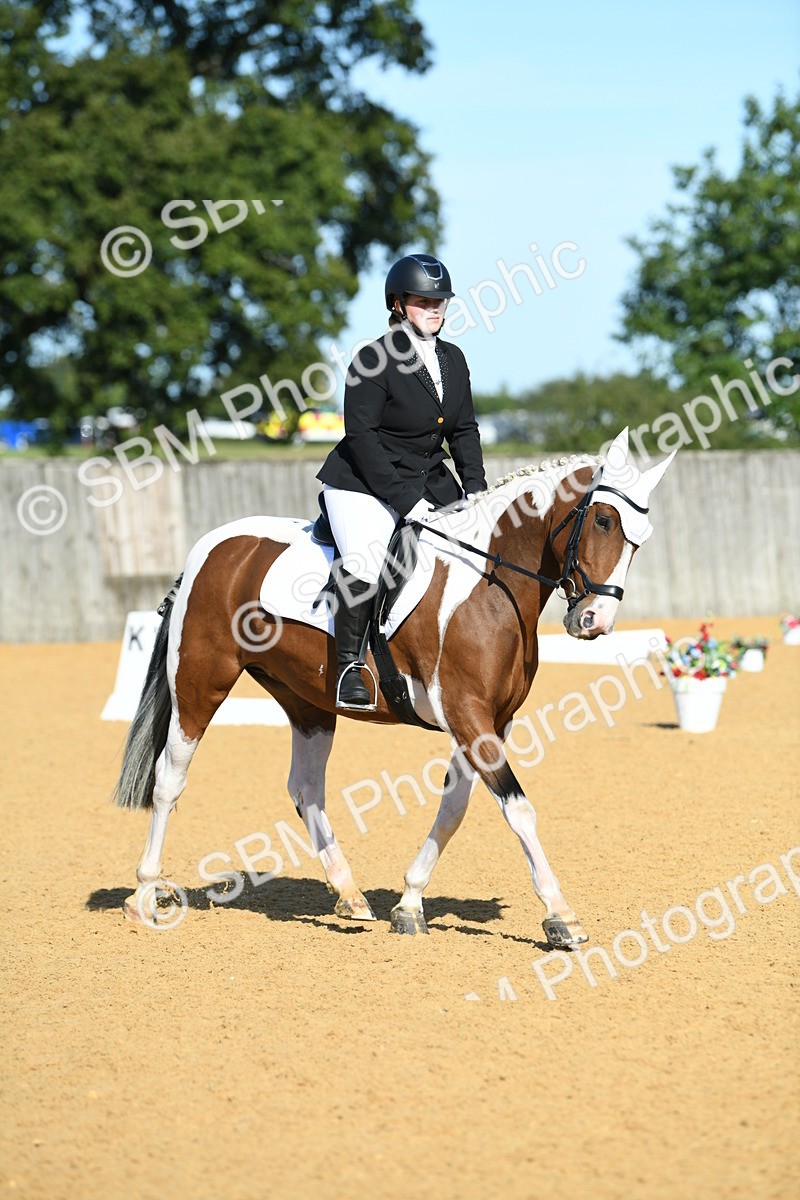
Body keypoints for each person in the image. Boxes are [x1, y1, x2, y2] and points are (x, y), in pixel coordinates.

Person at [317, 252, 487, 709]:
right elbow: (362, 437)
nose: (434, 308)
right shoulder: (373, 357)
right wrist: (407, 502)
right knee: (367, 561)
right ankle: (349, 667)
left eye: (441, 301)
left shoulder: (453, 358)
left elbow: (464, 430)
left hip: (430, 479)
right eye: (422, 300)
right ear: (397, 304)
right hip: (363, 481)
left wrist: (476, 490)